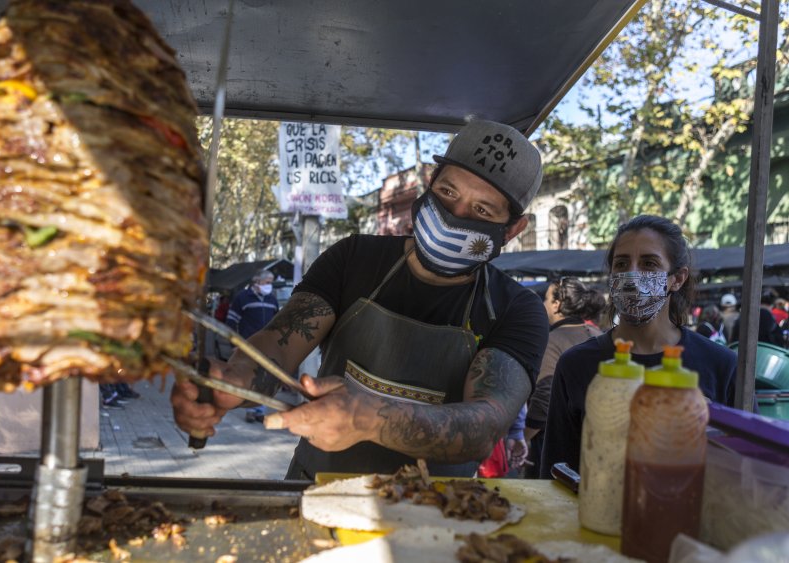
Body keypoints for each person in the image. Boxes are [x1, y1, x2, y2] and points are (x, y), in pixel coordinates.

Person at [171, 119, 549, 479]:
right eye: (448, 192)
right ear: (429, 184)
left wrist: (371, 419)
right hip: (314, 489)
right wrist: (231, 382)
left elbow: (483, 425)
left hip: (434, 516)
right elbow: (278, 346)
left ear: (513, 229)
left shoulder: (516, 308)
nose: (454, 216)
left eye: (482, 210)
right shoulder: (354, 258)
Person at [539, 215, 737, 478]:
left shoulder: (722, 365)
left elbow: (745, 473)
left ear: (676, 279)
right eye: (621, 264)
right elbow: (556, 472)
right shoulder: (576, 364)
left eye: (649, 264)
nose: (631, 275)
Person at [512, 277, 602, 478]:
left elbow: (545, 394)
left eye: (545, 299)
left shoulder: (552, 340)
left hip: (554, 441)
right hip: (595, 438)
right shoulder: (597, 334)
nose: (543, 304)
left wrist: (525, 436)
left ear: (556, 304)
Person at [226, 269, 281, 422]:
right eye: (267, 282)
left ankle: (259, 410)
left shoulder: (272, 300)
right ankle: (250, 409)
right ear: (257, 282)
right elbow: (231, 322)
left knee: (265, 379)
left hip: (267, 347)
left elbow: (278, 323)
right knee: (250, 378)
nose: (270, 286)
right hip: (247, 346)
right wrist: (234, 343)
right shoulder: (242, 298)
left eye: (271, 282)